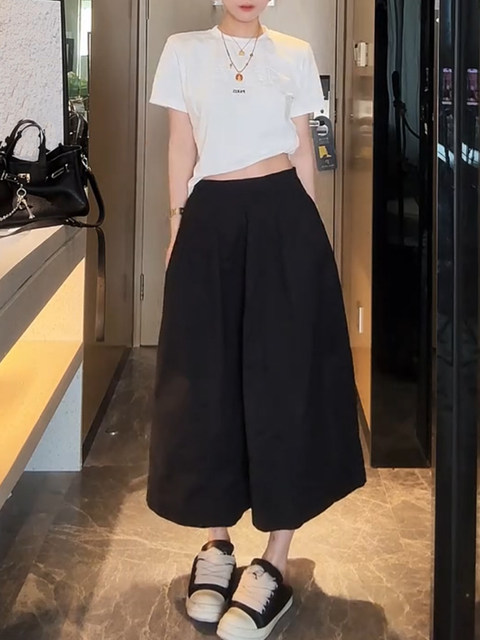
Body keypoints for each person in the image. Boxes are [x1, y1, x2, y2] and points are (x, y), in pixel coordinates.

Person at [147, 1, 366, 639]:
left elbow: (305, 151)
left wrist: (310, 244)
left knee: (285, 382)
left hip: (283, 218)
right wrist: (176, 225)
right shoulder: (184, 50)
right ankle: (216, 545)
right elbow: (181, 143)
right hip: (209, 218)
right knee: (203, 381)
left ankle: (275, 561)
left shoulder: (295, 53)